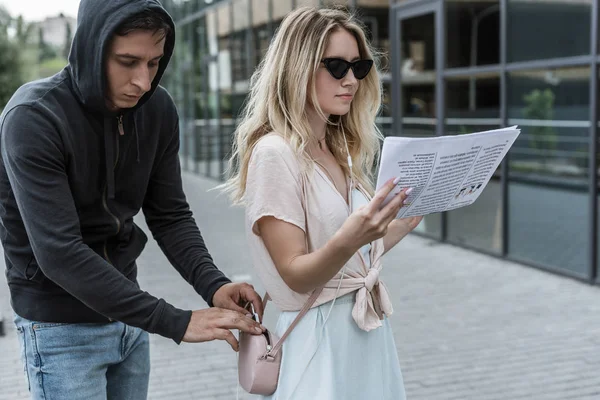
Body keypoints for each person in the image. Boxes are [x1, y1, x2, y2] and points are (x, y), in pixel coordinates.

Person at [0, 1, 265, 399]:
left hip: (129, 315)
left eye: (154, 63)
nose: (143, 81)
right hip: (59, 326)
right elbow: (59, 252)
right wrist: (173, 321)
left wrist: (212, 285)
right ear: (93, 49)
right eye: (128, 61)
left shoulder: (158, 110)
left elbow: (170, 215)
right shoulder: (34, 117)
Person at [223, 6, 423, 400]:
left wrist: (405, 219)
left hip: (363, 331)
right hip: (316, 336)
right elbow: (296, 274)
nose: (351, 80)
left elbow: (353, 254)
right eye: (336, 66)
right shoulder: (274, 153)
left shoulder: (337, 149)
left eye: (360, 67)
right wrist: (352, 237)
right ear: (297, 67)